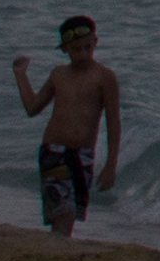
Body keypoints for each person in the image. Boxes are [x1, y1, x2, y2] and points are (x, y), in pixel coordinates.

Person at [13, 16, 126, 233]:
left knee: (71, 213)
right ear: (65, 49)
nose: (83, 54)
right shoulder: (59, 74)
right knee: (61, 213)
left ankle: (57, 247)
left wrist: (111, 165)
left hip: (82, 154)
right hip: (53, 150)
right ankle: (57, 251)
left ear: (96, 42)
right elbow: (33, 107)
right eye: (76, 49)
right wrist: (21, 75)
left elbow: (113, 122)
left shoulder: (105, 77)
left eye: (87, 47)